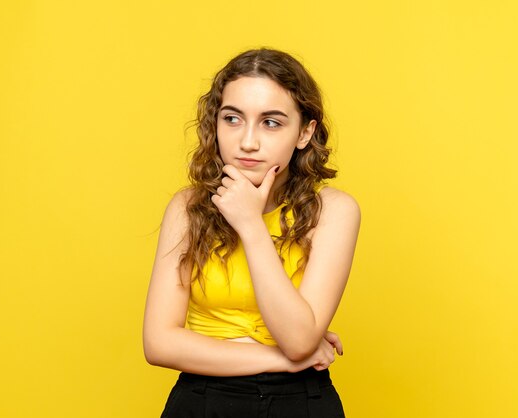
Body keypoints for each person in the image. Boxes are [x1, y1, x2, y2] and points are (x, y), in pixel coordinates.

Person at [143, 48, 361, 418]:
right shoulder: (188, 207)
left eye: (271, 123)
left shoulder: (335, 212)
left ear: (305, 132)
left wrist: (249, 224)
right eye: (232, 119)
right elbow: (159, 344)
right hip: (204, 400)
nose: (247, 142)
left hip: (300, 404)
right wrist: (283, 360)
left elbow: (298, 340)